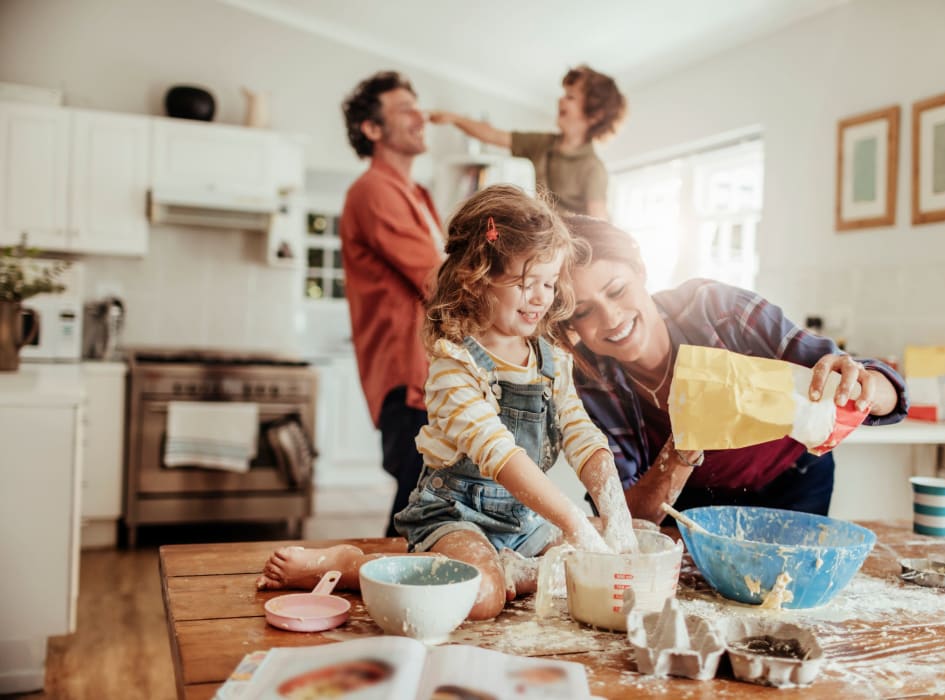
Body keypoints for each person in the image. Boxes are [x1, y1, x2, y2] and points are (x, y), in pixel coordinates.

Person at [258, 187, 636, 621]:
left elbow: (581, 434)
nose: (540, 297)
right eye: (525, 283)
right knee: (481, 598)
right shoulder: (454, 368)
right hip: (457, 517)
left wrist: (615, 510)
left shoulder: (552, 363)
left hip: (522, 523)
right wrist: (573, 521)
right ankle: (351, 565)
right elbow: (499, 454)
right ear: (476, 278)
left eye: (549, 283)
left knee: (628, 539)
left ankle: (512, 571)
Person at [551, 216, 909, 524]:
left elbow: (889, 397)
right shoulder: (589, 385)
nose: (610, 318)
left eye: (617, 290)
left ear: (641, 271)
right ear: (570, 324)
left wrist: (865, 386)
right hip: (689, 507)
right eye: (583, 312)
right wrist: (683, 447)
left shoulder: (719, 312)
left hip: (791, 484)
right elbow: (626, 518)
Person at [338, 70, 445, 536]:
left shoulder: (416, 194)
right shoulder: (374, 190)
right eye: (405, 109)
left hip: (425, 374)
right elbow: (437, 280)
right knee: (416, 513)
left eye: (418, 106)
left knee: (423, 507)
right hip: (409, 380)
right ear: (373, 129)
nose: (419, 116)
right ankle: (381, 601)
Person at [428, 65, 626, 219]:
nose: (561, 100)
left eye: (570, 97)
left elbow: (598, 221)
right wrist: (455, 119)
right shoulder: (542, 144)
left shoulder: (592, 168)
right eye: (564, 94)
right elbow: (494, 135)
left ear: (594, 116)